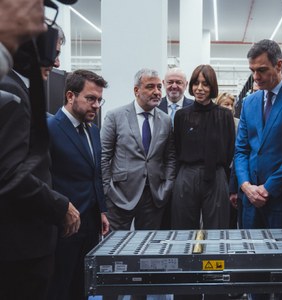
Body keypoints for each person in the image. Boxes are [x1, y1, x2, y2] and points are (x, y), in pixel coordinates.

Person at [0, 1, 81, 299]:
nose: (57, 63)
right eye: (54, 52)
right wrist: (60, 206)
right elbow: (10, 173)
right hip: (19, 250)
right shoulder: (11, 96)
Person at [46, 69, 109, 300]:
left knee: (82, 287)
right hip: (65, 225)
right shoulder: (51, 129)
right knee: (60, 286)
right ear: (70, 96)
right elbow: (45, 178)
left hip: (90, 223)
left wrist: (101, 210)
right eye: (90, 99)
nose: (96, 105)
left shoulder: (93, 131)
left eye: (99, 100)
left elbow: (96, 174)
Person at [234, 39, 282, 300]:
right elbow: (241, 150)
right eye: (252, 70)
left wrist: (268, 187)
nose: (256, 76)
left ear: (279, 65)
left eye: (262, 70)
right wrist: (245, 186)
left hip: (279, 199)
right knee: (252, 266)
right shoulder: (250, 102)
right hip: (250, 199)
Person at [101, 68, 176, 231]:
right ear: (136, 90)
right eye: (150, 87)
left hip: (154, 196)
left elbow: (170, 157)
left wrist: (167, 185)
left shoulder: (165, 120)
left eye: (158, 87)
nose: (157, 92)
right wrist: (107, 189)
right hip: (120, 196)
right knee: (115, 248)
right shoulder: (115, 116)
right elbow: (103, 156)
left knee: (148, 250)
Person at [171, 65, 235, 230]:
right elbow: (177, 148)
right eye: (196, 83)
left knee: (217, 228)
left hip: (216, 175)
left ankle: (214, 256)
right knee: (183, 229)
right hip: (186, 175)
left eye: (205, 84)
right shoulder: (181, 116)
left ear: (212, 86)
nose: (199, 89)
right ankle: (186, 257)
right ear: (191, 86)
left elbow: (229, 151)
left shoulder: (225, 115)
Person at [158, 67, 193, 229]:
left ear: (185, 85)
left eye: (178, 82)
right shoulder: (154, 107)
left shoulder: (195, 108)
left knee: (185, 223)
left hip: (187, 175)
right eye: (170, 82)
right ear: (164, 84)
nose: (174, 86)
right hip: (158, 176)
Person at [215, 92, 241, 229]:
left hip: (233, 171)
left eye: (231, 105)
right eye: (226, 105)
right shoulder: (213, 123)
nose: (230, 108)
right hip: (218, 172)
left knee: (232, 211)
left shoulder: (239, 124)